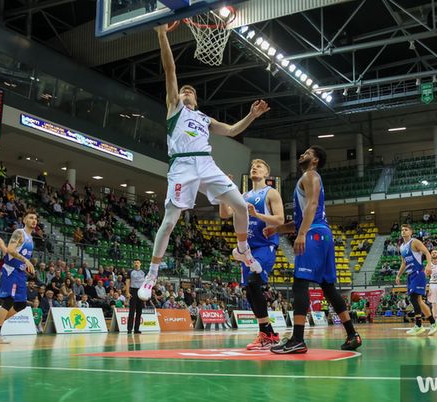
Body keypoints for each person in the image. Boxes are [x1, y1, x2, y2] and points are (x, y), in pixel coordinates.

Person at [139, 25, 271, 301]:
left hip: (206, 163)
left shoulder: (204, 119)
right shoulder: (174, 108)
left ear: (196, 100)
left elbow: (232, 130)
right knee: (169, 221)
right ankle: (152, 274)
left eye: (191, 90)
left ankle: (243, 251)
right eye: (183, 90)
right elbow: (170, 70)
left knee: (240, 206)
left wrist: (251, 116)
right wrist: (162, 34)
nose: (186, 90)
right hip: (182, 165)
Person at [263, 146, 361, 354]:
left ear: (315, 160)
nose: (302, 155)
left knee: (300, 282)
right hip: (321, 233)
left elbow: (313, 205)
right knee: (328, 288)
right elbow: (302, 218)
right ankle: (352, 334)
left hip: (313, 233)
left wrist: (301, 234)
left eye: (307, 153)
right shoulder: (308, 179)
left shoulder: (310, 175)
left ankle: (298, 339)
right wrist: (277, 229)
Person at [220, 159, 284, 350]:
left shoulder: (271, 193)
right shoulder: (244, 196)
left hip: (265, 246)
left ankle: (267, 334)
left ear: (266, 174)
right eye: (253, 166)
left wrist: (257, 215)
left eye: (259, 166)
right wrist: (223, 191)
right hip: (247, 248)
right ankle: (268, 333)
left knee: (254, 282)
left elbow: (280, 219)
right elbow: (225, 214)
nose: (255, 168)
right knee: (249, 291)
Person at [0, 211, 37, 343]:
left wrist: (27, 268)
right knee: (9, 300)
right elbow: (10, 250)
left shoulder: (31, 238)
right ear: (24, 220)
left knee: (21, 304)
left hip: (20, 273)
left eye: (35, 218)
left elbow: (21, 257)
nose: (34, 220)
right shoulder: (19, 232)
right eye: (31, 218)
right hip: (10, 270)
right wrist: (26, 260)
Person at [395, 224, 437, 336]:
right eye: (402, 230)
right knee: (419, 301)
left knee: (413, 298)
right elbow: (404, 263)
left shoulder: (415, 242)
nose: (403, 231)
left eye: (406, 230)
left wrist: (429, 266)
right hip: (410, 275)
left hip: (418, 272)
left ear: (411, 232)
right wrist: (398, 275)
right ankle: (433, 323)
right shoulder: (402, 247)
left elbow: (427, 252)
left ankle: (419, 325)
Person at [126, 260, 145, 334]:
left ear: (140, 264)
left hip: (141, 292)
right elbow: (127, 282)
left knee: (139, 311)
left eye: (137, 263)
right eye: (135, 263)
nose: (136, 264)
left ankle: (136, 329)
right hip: (133, 291)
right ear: (133, 264)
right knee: (132, 311)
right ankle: (129, 329)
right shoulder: (130, 272)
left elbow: (146, 282)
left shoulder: (144, 272)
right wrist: (127, 292)